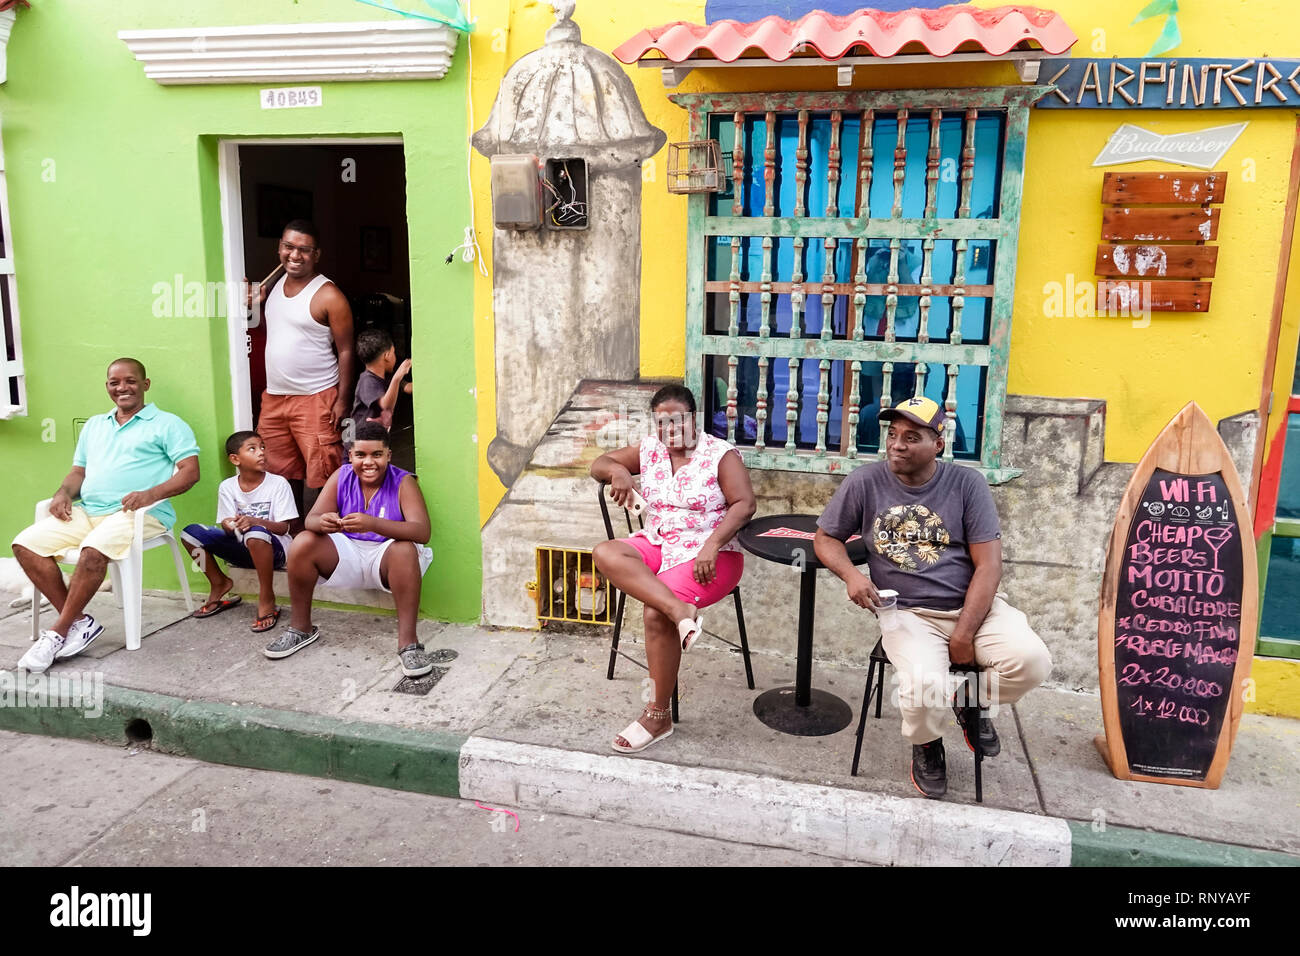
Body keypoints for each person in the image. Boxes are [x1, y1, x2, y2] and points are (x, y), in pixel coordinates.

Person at [813, 395, 1052, 799]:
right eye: (892, 435)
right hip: (909, 613)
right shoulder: (865, 481)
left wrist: (964, 633)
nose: (897, 445)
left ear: (937, 444)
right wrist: (851, 575)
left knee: (1032, 663)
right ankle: (927, 743)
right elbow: (826, 537)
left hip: (975, 608)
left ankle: (965, 699)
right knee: (923, 686)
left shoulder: (966, 484)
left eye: (911, 437)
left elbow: (989, 566)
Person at [591, 384, 756, 755]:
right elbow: (597, 463)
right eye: (661, 422)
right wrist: (619, 472)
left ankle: (658, 714)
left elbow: (745, 504)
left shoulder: (720, 455)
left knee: (654, 614)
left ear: (693, 419)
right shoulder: (650, 448)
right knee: (605, 552)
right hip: (658, 542)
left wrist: (711, 544)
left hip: (711, 556)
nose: (670, 429)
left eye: (677, 420)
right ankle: (679, 610)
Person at [11, 358, 200, 672]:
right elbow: (78, 472)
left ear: (145, 384)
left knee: (92, 552)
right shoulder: (95, 425)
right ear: (107, 387)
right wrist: (62, 493)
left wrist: (149, 494)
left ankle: (57, 632)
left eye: (130, 381)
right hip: (90, 512)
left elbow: (190, 473)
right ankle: (80, 623)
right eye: (115, 382)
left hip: (137, 514)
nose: (122, 387)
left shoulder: (168, 424)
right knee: (25, 544)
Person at [265, 422, 435, 676]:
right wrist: (323, 522)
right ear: (351, 456)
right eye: (360, 455)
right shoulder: (342, 475)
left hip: (387, 557)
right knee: (303, 541)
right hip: (349, 554)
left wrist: (374, 523)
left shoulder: (403, 481)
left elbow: (422, 532)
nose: (369, 462)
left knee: (404, 549)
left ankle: (409, 644)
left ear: (388, 455)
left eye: (377, 454)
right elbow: (311, 520)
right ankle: (301, 628)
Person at [246, 219, 355, 511]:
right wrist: (251, 304)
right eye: (288, 247)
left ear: (316, 254)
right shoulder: (272, 286)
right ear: (279, 248)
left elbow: (346, 350)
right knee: (279, 473)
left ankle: (326, 542)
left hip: (316, 398)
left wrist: (342, 400)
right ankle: (289, 539)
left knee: (322, 474)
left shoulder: (329, 295)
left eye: (304, 250)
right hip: (275, 399)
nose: (295, 255)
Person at [181, 430, 298, 633]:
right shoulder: (228, 487)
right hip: (242, 549)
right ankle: (219, 583)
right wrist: (228, 525)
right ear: (235, 459)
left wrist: (254, 521)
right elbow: (227, 529)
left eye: (262, 447)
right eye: (252, 449)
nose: (261, 452)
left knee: (255, 533)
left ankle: (266, 596)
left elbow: (285, 528)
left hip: (274, 552)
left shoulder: (278, 484)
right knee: (189, 534)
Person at [350, 328, 411, 437]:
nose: (395, 357)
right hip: (359, 448)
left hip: (374, 442)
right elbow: (385, 406)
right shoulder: (367, 381)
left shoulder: (385, 378)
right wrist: (397, 377)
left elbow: (408, 388)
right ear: (387, 356)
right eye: (393, 353)